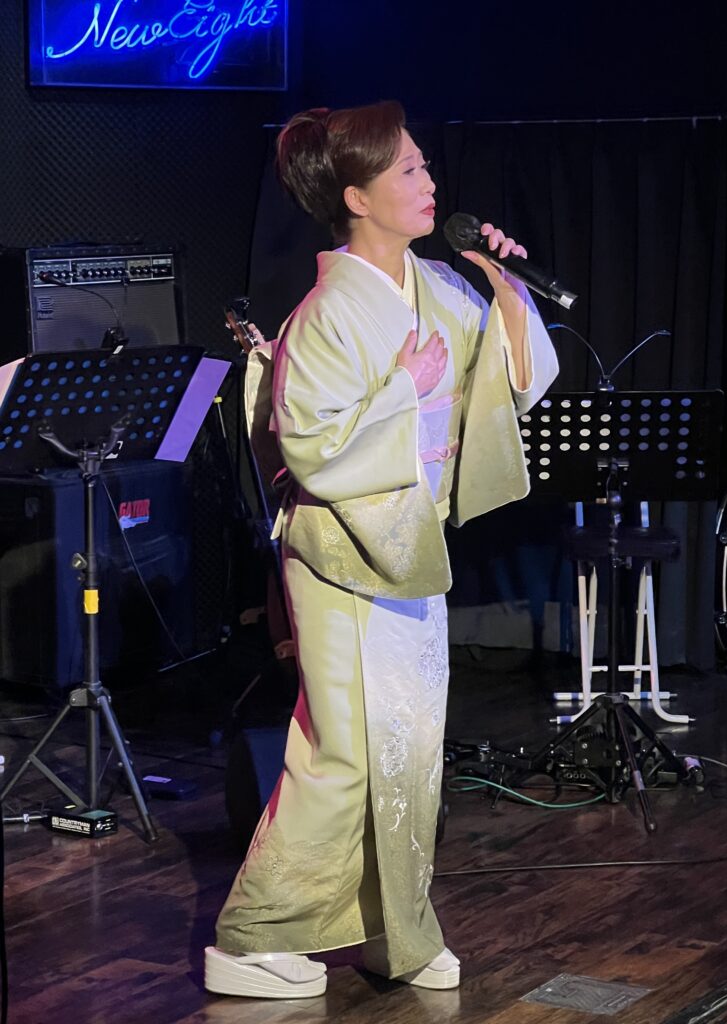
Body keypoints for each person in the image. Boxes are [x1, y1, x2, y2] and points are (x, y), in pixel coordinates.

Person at [205, 100, 559, 1000]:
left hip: (408, 547)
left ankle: (389, 927)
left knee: (406, 750)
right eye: (407, 169)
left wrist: (502, 288)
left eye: (424, 165)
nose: (429, 181)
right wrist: (403, 389)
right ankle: (252, 937)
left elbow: (508, 382)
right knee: (343, 754)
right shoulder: (325, 314)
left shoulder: (437, 285)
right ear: (357, 197)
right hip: (339, 556)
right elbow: (312, 450)